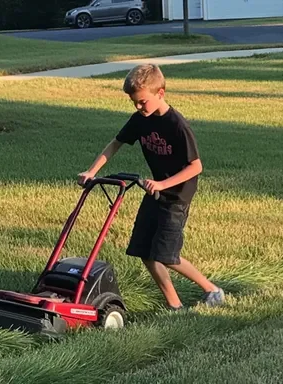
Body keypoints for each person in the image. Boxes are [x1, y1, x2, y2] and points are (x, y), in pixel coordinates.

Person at [77, 64, 225, 310]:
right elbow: (116, 143)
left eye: (142, 102)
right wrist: (92, 172)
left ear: (161, 93)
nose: (138, 107)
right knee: (144, 250)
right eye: (133, 102)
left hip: (177, 195)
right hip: (154, 193)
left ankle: (212, 289)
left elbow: (196, 166)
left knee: (167, 256)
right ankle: (174, 305)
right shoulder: (140, 120)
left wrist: (162, 183)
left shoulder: (177, 125)